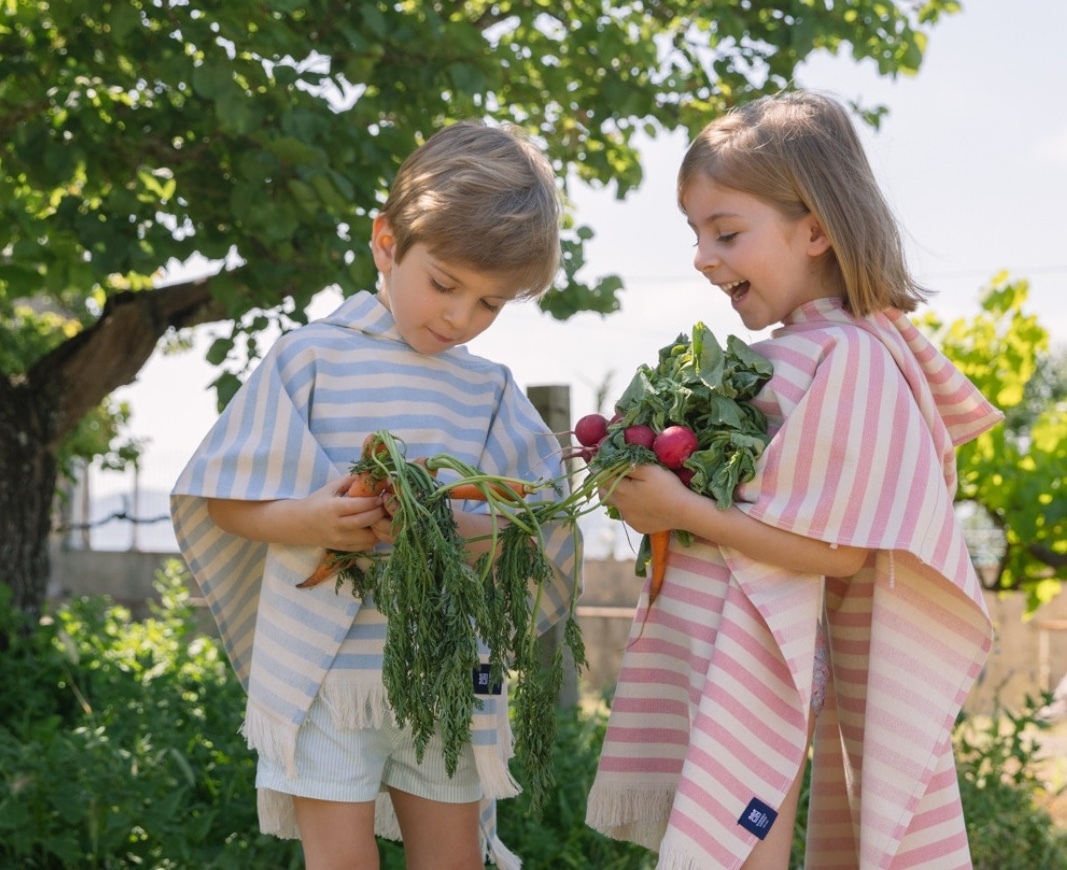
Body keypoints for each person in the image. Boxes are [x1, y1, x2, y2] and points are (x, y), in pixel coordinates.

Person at [584, 90, 1003, 869]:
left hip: (761, 666)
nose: (702, 256)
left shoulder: (851, 358)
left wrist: (678, 509)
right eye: (695, 234)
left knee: (741, 850)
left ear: (814, 230)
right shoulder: (779, 356)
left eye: (725, 232)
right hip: (717, 651)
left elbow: (838, 549)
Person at [171, 120, 581, 870]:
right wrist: (313, 519)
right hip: (326, 676)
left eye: (490, 304)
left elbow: (534, 527)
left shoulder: (487, 390)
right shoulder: (311, 358)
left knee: (451, 856)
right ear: (387, 242)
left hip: (444, 668)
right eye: (445, 285)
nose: (459, 317)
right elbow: (222, 497)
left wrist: (448, 528)